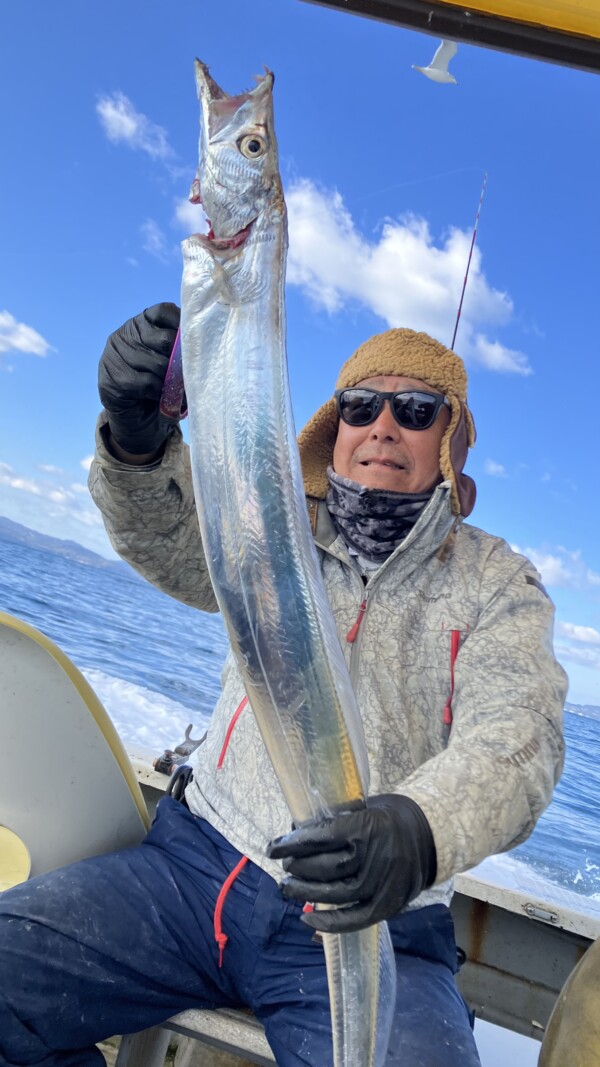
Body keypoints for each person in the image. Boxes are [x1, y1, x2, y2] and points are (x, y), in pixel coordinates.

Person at [0, 304, 567, 1067]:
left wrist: (417, 828)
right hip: (193, 870)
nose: (384, 425)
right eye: (361, 406)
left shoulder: (497, 584)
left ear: (452, 438)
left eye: (417, 409)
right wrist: (136, 446)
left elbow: (520, 739)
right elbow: (165, 542)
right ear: (335, 429)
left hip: (374, 921)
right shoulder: (271, 525)